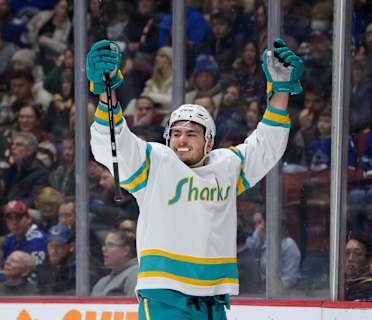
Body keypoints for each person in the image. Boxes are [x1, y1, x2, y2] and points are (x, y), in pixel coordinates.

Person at [86, 37, 302, 318]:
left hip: (213, 300)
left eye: (191, 133)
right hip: (165, 295)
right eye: (175, 133)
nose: (182, 140)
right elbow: (113, 143)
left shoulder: (226, 166)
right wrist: (106, 91)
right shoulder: (154, 163)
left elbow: (266, 145)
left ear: (209, 141)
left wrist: (282, 90)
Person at [246, 211, 301, 290]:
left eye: (260, 222)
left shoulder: (288, 245)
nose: (258, 227)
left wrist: (270, 290)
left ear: (269, 223)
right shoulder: (260, 244)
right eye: (254, 224)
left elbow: (290, 279)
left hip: (283, 294)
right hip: (262, 292)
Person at [91, 229, 138, 297]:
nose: (103, 249)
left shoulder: (134, 274)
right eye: (104, 245)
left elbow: (134, 306)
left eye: (110, 245)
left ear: (126, 250)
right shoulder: (102, 282)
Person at [2, 200, 47, 266]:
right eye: (10, 218)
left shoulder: (38, 241)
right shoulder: (8, 240)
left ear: (29, 219)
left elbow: (36, 272)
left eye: (18, 217)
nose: (14, 222)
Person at [36, 224, 75, 295]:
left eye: (58, 246)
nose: (53, 250)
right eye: (51, 245)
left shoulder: (76, 270)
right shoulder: (41, 268)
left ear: (70, 246)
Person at [345, 233, 372, 300]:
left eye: (357, 254)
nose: (350, 259)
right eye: (347, 253)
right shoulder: (340, 282)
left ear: (369, 261)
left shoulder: (368, 286)